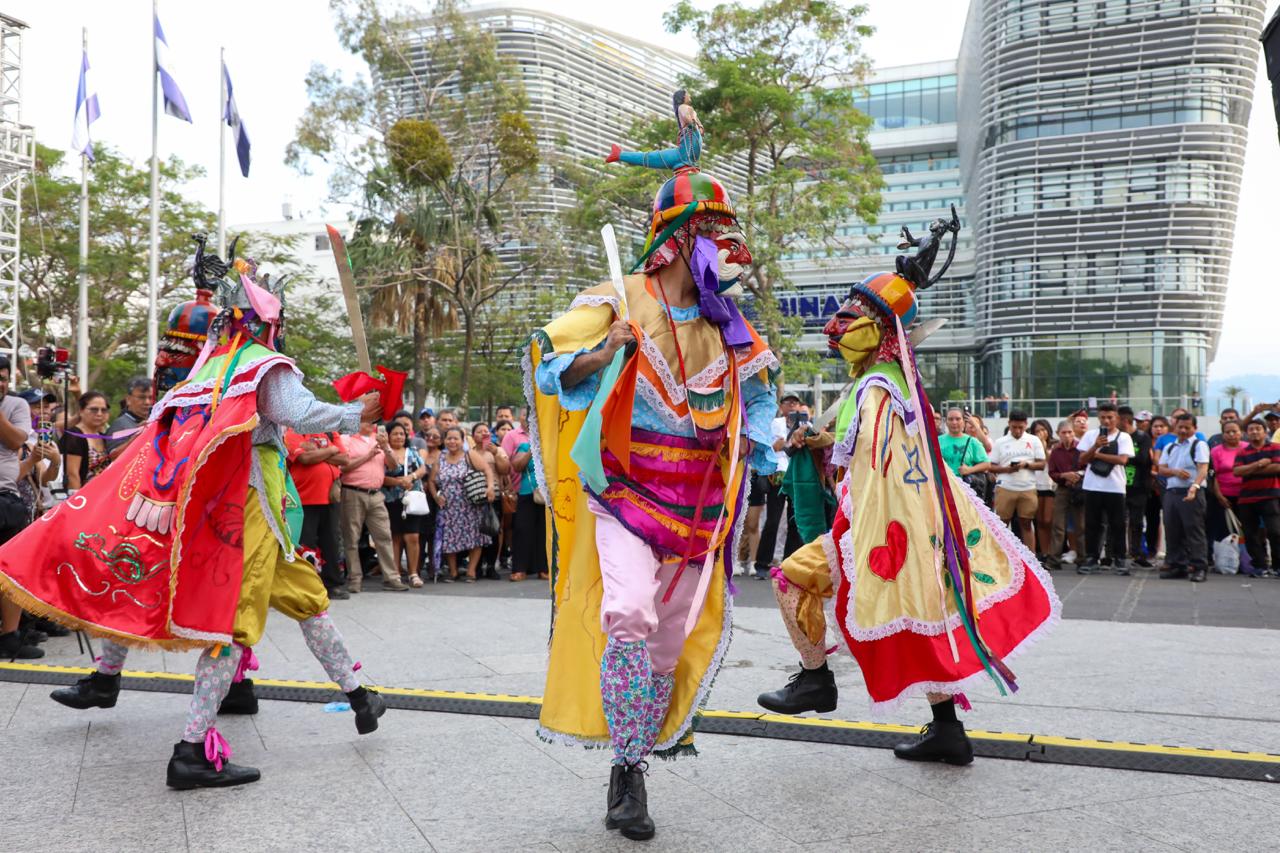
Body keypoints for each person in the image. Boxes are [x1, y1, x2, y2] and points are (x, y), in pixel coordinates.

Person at [0, 237, 388, 787]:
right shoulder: (259, 364)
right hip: (240, 509)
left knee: (306, 599)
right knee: (227, 626)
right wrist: (358, 413)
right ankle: (191, 750)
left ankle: (360, 695)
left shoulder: (213, 366)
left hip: (238, 508)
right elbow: (295, 410)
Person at [529, 100, 777, 842]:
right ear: (675, 241)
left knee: (666, 643)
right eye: (714, 236)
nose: (729, 251)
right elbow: (551, 364)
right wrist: (609, 351)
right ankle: (628, 772)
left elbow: (759, 397)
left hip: (698, 504)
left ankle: (635, 748)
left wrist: (757, 446)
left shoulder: (732, 326)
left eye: (729, 238)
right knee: (628, 616)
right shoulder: (617, 299)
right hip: (626, 489)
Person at [755, 211, 1059, 770]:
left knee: (790, 579)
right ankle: (947, 732)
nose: (835, 327)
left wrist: (858, 536)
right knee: (924, 621)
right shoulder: (890, 383)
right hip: (911, 530)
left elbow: (882, 472)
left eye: (849, 317)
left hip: (881, 528)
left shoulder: (876, 389)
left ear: (878, 329)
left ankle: (817, 680)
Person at [0, 359, 40, 659]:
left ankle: (9, 634)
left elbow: (15, 439)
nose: (0, 384)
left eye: (2, 379)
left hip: (6, 495)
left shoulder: (15, 405)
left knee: (8, 568)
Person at [340, 421, 409, 592]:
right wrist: (368, 455)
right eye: (367, 419)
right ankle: (355, 578)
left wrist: (386, 447)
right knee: (351, 537)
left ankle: (391, 578)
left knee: (384, 535)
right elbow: (343, 467)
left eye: (374, 420)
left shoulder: (377, 440)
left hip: (376, 494)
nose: (373, 423)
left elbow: (394, 466)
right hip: (352, 492)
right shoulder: (346, 439)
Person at [285, 428, 350, 599]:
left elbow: (345, 459)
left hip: (329, 499)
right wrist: (330, 451)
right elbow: (304, 458)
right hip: (303, 500)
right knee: (306, 545)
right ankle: (306, 586)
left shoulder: (331, 432)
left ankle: (333, 584)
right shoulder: (294, 432)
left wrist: (318, 453)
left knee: (332, 543)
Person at [427, 425, 493, 582]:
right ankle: (453, 571)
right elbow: (431, 480)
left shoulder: (469, 455)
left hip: (471, 504)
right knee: (449, 538)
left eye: (456, 438)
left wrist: (490, 488)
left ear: (462, 440)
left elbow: (487, 471)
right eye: (449, 438)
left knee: (475, 537)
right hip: (449, 507)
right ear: (444, 441)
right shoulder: (441, 458)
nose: (452, 441)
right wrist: (436, 497)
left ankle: (471, 572)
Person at [1077, 402, 1134, 575]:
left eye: (1110, 417)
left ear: (1117, 418)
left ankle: (1120, 558)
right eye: (1103, 417)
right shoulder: (1090, 436)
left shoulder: (1124, 437)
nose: (1106, 421)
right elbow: (1082, 460)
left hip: (1115, 486)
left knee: (1117, 524)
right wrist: (1095, 446)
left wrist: (1098, 454)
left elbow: (1122, 460)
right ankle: (1092, 557)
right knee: (1092, 523)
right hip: (1092, 486)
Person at [754, 394, 804, 579]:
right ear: (781, 406)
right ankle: (762, 563)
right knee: (772, 520)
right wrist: (786, 441)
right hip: (778, 473)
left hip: (796, 473)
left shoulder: (804, 425)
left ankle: (789, 564)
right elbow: (772, 446)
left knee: (794, 520)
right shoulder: (775, 423)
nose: (792, 406)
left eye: (795, 403)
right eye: (788, 403)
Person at [1157, 413, 1210, 582]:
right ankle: (1177, 565)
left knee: (1194, 530)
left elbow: (1203, 468)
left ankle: (1199, 567)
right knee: (1172, 530)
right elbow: (1161, 469)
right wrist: (1175, 472)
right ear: (1175, 427)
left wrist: (1194, 487)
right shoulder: (1170, 447)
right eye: (1180, 427)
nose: (1183, 430)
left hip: (1192, 492)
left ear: (1194, 428)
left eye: (1187, 427)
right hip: (1172, 492)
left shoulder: (1199, 445)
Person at [988, 411, 1046, 552]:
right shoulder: (1000, 442)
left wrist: (1025, 464)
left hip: (1028, 487)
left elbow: (1042, 464)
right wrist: (1007, 469)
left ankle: (1031, 560)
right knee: (1002, 524)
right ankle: (998, 556)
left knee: (1026, 524)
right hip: (1006, 487)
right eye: (1014, 427)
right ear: (1009, 424)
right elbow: (992, 466)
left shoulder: (1034, 440)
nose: (1018, 430)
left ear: (1026, 424)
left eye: (1021, 427)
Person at [502, 407, 547, 582]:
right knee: (522, 530)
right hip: (527, 492)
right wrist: (533, 448)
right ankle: (519, 568)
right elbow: (517, 466)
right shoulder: (522, 443)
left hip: (547, 493)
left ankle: (544, 568)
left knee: (544, 531)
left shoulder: (549, 439)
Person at [381, 422, 427, 588]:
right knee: (395, 537)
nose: (399, 437)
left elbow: (423, 469)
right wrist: (397, 481)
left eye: (402, 433)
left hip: (412, 498)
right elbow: (379, 477)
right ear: (388, 435)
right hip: (391, 500)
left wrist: (412, 477)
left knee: (412, 536)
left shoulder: (412, 451)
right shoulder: (382, 453)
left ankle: (413, 573)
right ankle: (396, 572)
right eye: (395, 434)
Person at [1232, 420, 1280, 577]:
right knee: (1250, 534)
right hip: (1247, 498)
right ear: (1246, 433)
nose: (1254, 432)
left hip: (1270, 496)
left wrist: (1250, 469)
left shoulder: (1275, 448)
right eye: (1251, 429)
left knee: (1275, 531)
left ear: (1265, 432)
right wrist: (1260, 464)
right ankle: (1259, 565)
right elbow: (1237, 472)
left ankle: (1277, 565)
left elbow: (1277, 467)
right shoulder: (1242, 452)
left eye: (1258, 429)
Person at [1118, 406, 1153, 567]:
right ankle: (1117, 552)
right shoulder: (1115, 437)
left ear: (1125, 421)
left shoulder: (1142, 437)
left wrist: (1122, 457)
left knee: (1136, 522)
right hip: (1118, 486)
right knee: (1117, 522)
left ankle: (1136, 552)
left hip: (1138, 486)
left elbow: (1143, 458)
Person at [472, 422, 509, 579]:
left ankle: (491, 566)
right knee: (477, 532)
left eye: (486, 431)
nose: (483, 434)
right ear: (473, 436)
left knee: (493, 530)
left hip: (494, 495)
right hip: (475, 495)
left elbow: (505, 469)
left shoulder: (497, 449)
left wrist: (495, 453)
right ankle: (477, 566)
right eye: (479, 432)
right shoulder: (470, 452)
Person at [1047, 419, 1084, 568]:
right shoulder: (1056, 451)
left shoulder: (1081, 448)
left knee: (1081, 524)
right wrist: (1064, 476)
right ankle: (1054, 559)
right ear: (1058, 434)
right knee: (1058, 525)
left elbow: (1087, 467)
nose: (1067, 436)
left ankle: (1082, 558)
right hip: (1062, 489)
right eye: (1064, 433)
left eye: (1070, 432)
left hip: (1079, 487)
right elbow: (1052, 472)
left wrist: (1075, 475)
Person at [62, 390, 112, 489]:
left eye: (103, 410)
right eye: (94, 409)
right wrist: (77, 501)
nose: (99, 414)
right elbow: (72, 475)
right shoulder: (74, 436)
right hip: (82, 498)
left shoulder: (103, 436)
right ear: (81, 411)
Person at [937, 408, 990, 500]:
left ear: (964, 422)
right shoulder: (937, 440)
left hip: (965, 490)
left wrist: (969, 470)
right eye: (951, 419)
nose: (954, 422)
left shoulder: (972, 441)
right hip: (943, 488)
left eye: (958, 419)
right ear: (945, 422)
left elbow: (986, 464)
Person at [105, 377, 152, 458]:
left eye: (150, 398)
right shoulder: (120, 425)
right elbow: (113, 456)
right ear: (128, 399)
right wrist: (136, 437)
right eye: (141, 397)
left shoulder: (152, 422)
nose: (147, 402)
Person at [418, 427, 442, 580]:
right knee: (419, 535)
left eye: (436, 436)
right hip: (420, 499)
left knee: (434, 535)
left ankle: (434, 567)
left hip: (436, 500)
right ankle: (417, 567)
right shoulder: (419, 452)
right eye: (428, 435)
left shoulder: (443, 455)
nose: (431, 438)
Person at [1030, 418, 1056, 560]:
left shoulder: (1054, 445)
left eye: (1043, 430)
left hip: (1051, 485)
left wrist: (1044, 445)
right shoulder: (1031, 445)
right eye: (1037, 431)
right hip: (1036, 484)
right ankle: (1044, 552)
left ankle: (1053, 550)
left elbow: (1049, 461)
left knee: (1048, 520)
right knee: (1039, 520)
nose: (1040, 433)